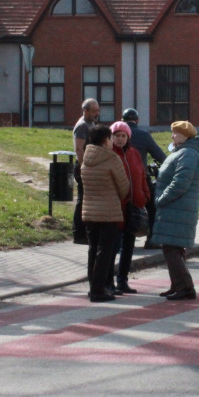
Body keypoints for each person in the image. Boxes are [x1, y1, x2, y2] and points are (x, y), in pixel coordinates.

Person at [153, 121, 199, 301]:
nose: (172, 136)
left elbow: (180, 183)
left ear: (185, 136)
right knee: (172, 248)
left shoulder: (188, 154)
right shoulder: (184, 152)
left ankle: (185, 287)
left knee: (172, 249)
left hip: (177, 208)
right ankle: (177, 284)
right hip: (176, 209)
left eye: (175, 133)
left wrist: (161, 199)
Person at [81, 123, 130, 302]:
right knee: (105, 251)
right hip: (108, 211)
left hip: (89, 211)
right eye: (110, 138)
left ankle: (92, 286)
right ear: (105, 140)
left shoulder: (86, 158)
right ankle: (99, 290)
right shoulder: (111, 159)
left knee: (93, 249)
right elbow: (124, 187)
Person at [108, 121, 150, 294]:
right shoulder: (110, 154)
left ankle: (123, 280)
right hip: (117, 208)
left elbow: (141, 176)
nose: (120, 139)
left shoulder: (134, 153)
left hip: (134, 207)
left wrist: (145, 194)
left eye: (123, 136)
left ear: (128, 137)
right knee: (113, 247)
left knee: (129, 246)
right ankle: (109, 281)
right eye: (116, 136)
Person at [121, 108, 166, 249]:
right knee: (152, 205)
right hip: (139, 178)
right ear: (137, 120)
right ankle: (151, 239)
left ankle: (120, 240)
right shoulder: (144, 135)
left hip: (119, 177)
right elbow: (160, 156)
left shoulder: (115, 134)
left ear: (122, 120)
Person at [72, 98, 100, 244]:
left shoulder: (91, 123)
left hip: (90, 166)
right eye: (94, 111)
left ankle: (85, 232)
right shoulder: (82, 126)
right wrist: (84, 167)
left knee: (87, 200)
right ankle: (79, 234)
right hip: (83, 167)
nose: (97, 113)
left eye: (98, 110)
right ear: (86, 111)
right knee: (82, 200)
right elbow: (79, 148)